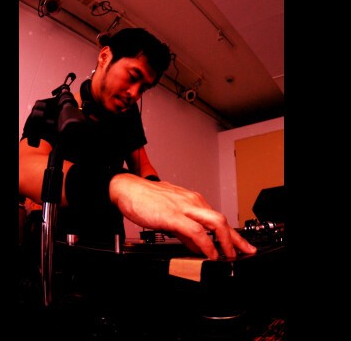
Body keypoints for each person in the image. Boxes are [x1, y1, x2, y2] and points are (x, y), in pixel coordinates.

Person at [19, 27, 257, 260]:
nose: (134, 94)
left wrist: (164, 202)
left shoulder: (127, 116)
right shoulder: (50, 109)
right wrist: (117, 185)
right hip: (56, 250)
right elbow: (24, 167)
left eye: (144, 88)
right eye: (133, 77)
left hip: (111, 246)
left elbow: (142, 166)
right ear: (105, 56)